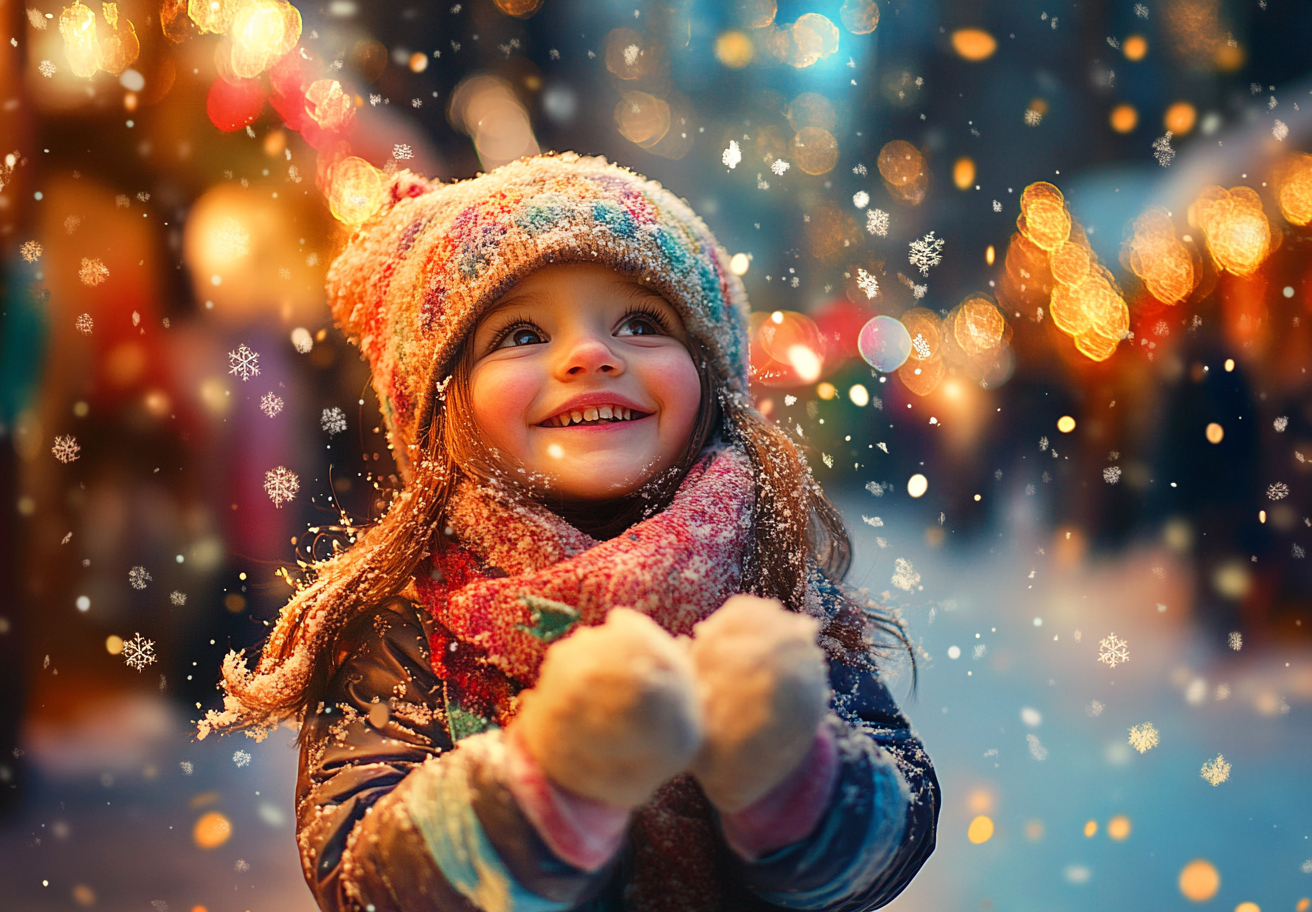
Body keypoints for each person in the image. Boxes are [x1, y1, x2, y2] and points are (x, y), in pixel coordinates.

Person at [198, 153, 939, 912]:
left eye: (641, 322)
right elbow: (365, 876)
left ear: (711, 376)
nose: (590, 354)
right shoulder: (405, 626)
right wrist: (550, 784)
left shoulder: (771, 587)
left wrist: (787, 774)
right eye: (521, 333)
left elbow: (895, 831)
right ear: (441, 408)